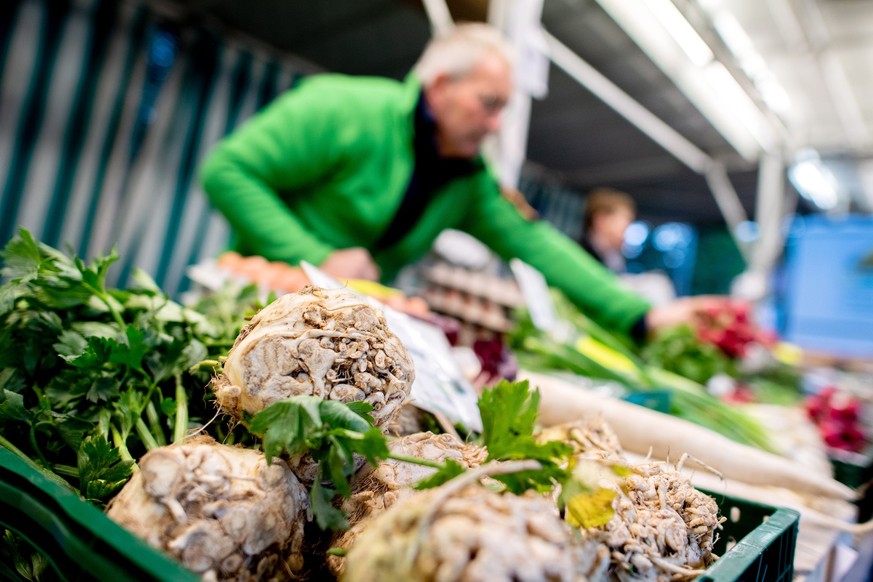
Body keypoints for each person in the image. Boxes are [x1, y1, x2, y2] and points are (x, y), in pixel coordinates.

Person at [200, 23, 720, 342]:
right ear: (442, 86)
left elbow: (537, 245)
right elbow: (229, 170)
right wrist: (314, 256)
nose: (496, 124)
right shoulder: (345, 108)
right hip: (248, 309)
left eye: (503, 109)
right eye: (488, 104)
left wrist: (641, 316)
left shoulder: (469, 179)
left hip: (333, 336)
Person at [579, 187, 636, 274]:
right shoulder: (578, 251)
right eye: (624, 218)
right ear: (601, 220)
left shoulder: (614, 257)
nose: (627, 225)